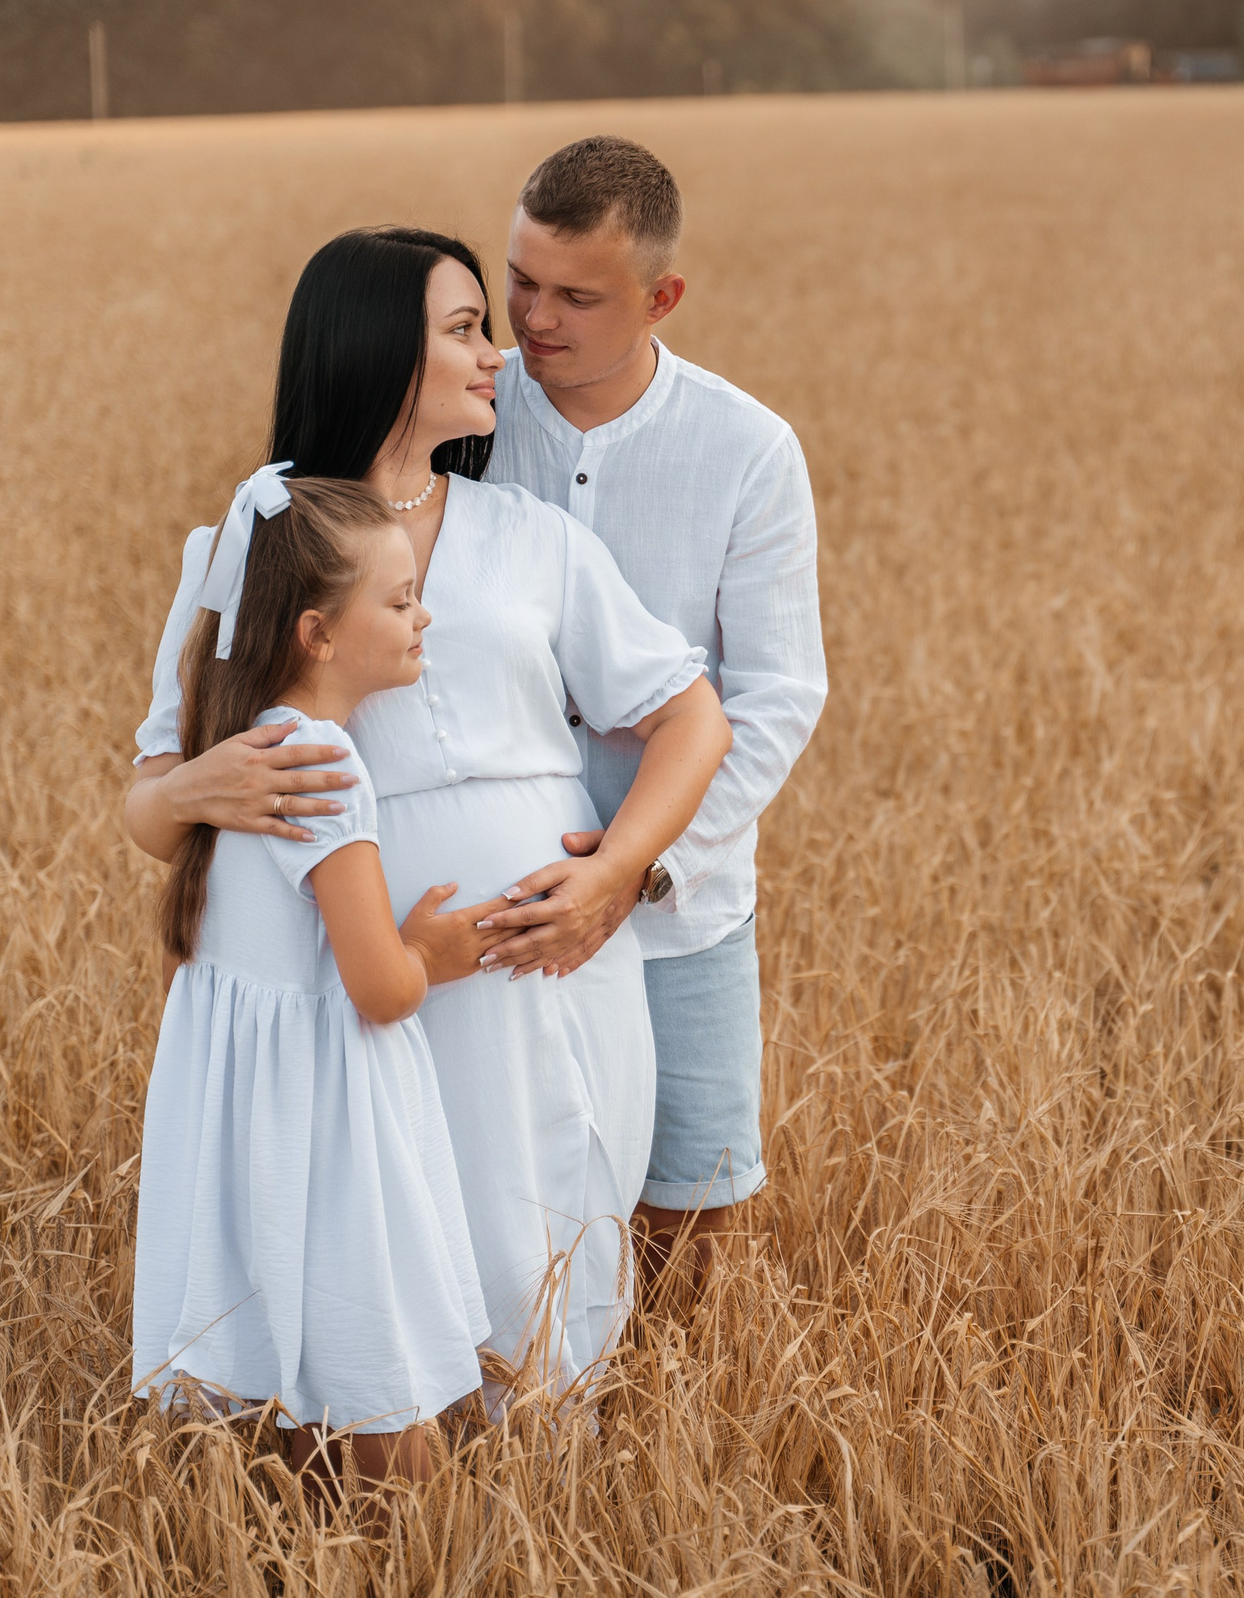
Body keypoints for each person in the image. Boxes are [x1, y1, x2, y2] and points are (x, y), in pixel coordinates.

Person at [125, 227, 733, 1402]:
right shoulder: (256, 542)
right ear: (375, 353)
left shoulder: (535, 539)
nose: (496, 353)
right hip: (371, 975)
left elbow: (692, 718)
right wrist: (196, 787)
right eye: (463, 329)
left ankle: (547, 1506)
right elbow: (151, 810)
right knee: (393, 1245)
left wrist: (617, 874)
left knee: (553, 1215)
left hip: (547, 958)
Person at [479, 136, 827, 1300]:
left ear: (661, 297)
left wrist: (635, 869)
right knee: (504, 1197)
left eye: (577, 295)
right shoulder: (459, 420)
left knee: (686, 1201)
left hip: (684, 907)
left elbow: (776, 694)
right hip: (492, 898)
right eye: (521, 279)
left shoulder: (747, 451)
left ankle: (654, 1454)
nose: (532, 318)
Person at [131, 470, 490, 1498]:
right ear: (318, 637)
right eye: (400, 599)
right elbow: (378, 987)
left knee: (314, 1390)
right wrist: (437, 953)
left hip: (261, 1121)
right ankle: (403, 1586)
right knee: (386, 1401)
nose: (424, 615)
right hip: (336, 1130)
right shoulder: (323, 764)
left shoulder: (242, 746)